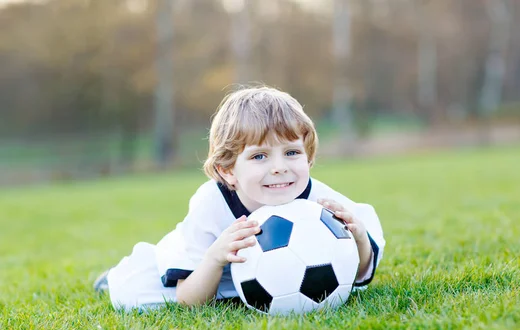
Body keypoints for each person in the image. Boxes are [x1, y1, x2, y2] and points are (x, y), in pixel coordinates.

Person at [94, 86, 385, 311]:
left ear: (308, 159)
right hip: (206, 272)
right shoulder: (210, 204)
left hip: (273, 275)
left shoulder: (320, 202)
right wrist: (215, 259)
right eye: (259, 156)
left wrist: (358, 238)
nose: (279, 167)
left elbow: (360, 274)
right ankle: (112, 278)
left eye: (292, 152)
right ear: (227, 171)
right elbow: (187, 299)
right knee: (134, 294)